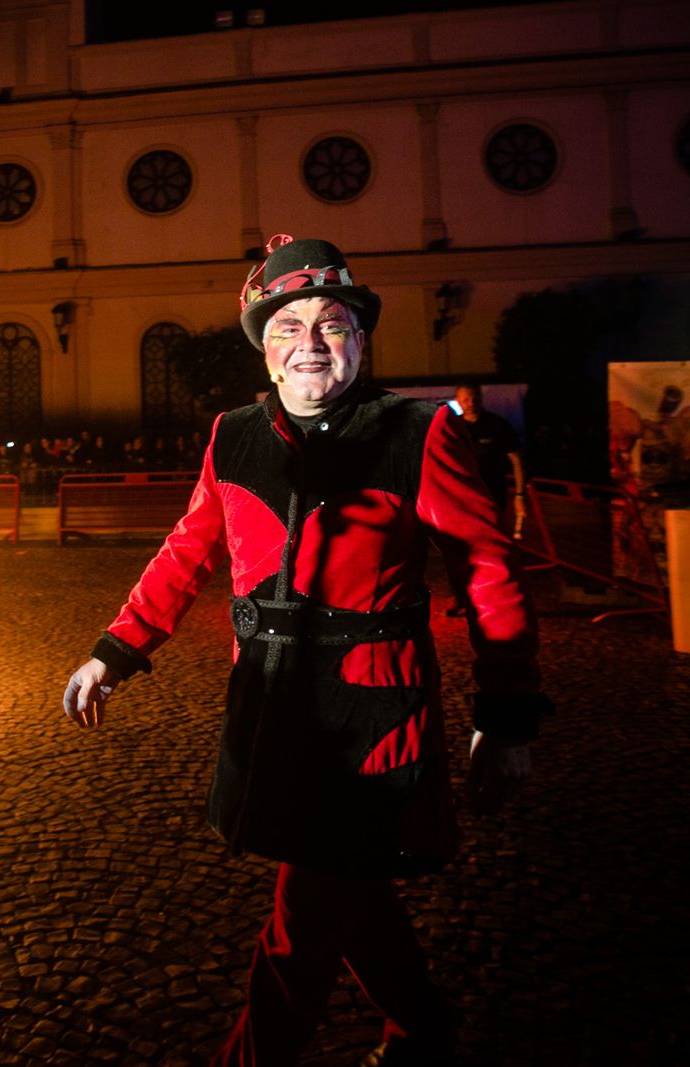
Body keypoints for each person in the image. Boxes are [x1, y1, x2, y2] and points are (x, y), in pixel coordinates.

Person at [62, 236, 550, 1066]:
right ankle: (425, 1030)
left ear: (361, 337)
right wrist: (118, 647)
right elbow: (187, 552)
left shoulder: (420, 432)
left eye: (332, 323)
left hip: (373, 718)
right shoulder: (233, 436)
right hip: (272, 710)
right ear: (264, 341)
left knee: (306, 918)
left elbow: (489, 575)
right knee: (350, 892)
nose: (311, 343)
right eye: (288, 326)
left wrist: (505, 715)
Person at [447, 384, 527, 615]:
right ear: (458, 401)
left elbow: (516, 460)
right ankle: (461, 596)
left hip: (493, 497)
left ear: (480, 398)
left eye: (473, 398)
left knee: (495, 549)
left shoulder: (498, 425)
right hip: (461, 499)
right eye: (465, 399)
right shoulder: (454, 427)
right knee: (460, 550)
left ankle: (497, 598)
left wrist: (520, 494)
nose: (470, 403)